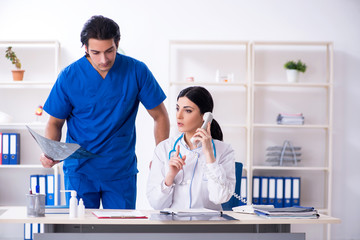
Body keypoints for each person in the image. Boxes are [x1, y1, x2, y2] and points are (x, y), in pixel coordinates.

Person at [40, 15, 170, 209]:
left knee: (120, 232)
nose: (103, 59)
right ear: (85, 48)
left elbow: (160, 116)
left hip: (120, 171)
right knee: (80, 232)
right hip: (80, 171)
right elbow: (55, 122)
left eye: (109, 51)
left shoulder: (136, 71)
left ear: (117, 43)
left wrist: (162, 157)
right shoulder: (69, 76)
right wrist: (50, 152)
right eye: (95, 52)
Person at [146, 86, 235, 210]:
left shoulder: (224, 151)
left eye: (187, 110)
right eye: (177, 109)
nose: (179, 116)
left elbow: (220, 198)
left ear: (205, 117)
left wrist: (209, 155)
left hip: (208, 225)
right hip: (173, 226)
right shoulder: (164, 148)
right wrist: (170, 176)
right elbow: (156, 204)